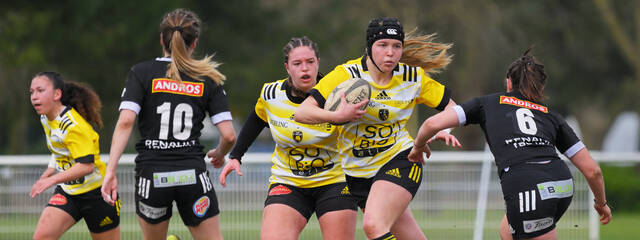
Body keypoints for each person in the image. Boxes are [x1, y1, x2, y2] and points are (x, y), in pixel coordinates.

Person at [408, 48, 612, 240]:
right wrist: (601, 204)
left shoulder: (486, 104)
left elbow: (431, 123)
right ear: (541, 88)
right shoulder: (551, 116)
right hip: (562, 184)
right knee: (507, 230)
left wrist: (418, 146)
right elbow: (593, 171)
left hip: (528, 186)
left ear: (508, 83)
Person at [295, 17, 461, 240]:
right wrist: (337, 116)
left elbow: (453, 108)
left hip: (402, 158)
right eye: (382, 46)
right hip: (358, 174)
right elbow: (302, 113)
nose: (390, 53)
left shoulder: (412, 78)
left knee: (373, 226)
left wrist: (443, 128)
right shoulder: (347, 75)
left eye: (396, 46)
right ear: (369, 48)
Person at [100, 8, 236, 240]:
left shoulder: (141, 73)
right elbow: (230, 136)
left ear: (162, 39)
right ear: (194, 43)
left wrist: (110, 170)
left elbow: (125, 123)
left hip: (152, 175)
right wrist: (221, 154)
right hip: (192, 175)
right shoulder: (208, 77)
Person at [219, 36, 358, 240]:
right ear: (287, 68)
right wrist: (235, 156)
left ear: (318, 62)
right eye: (297, 63)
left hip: (335, 180)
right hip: (288, 181)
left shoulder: (340, 96)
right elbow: (256, 120)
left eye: (310, 62)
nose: (305, 69)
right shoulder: (271, 94)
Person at [29, 72, 121, 240]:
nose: (34, 97)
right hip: (68, 193)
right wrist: (51, 168)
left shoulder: (73, 126)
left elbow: (87, 166)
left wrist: (52, 180)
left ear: (57, 94)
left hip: (97, 194)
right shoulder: (45, 118)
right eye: (32, 92)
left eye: (40, 90)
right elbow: (59, 146)